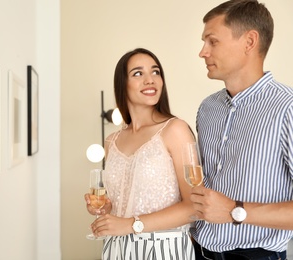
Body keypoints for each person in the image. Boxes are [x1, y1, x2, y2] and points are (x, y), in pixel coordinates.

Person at [190, 1, 293, 259]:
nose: (203, 52)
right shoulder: (207, 109)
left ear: (249, 42)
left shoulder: (287, 108)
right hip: (198, 251)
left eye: (212, 41)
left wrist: (236, 211)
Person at [84, 48, 197, 260]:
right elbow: (124, 200)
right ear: (122, 84)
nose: (150, 80)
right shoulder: (112, 141)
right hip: (117, 249)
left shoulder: (176, 130)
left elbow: (194, 206)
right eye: (138, 73)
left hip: (165, 250)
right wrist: (106, 207)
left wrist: (129, 224)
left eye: (155, 72)